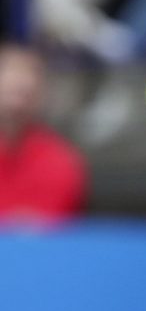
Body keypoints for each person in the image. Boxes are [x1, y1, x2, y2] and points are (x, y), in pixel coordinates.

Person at [0, 42, 87, 223]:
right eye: (11, 84)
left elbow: (49, 228)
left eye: (24, 90)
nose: (21, 84)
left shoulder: (61, 160)